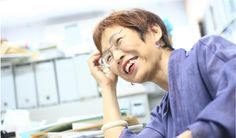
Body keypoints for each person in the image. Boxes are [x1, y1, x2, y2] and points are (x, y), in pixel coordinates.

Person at [87, 8, 236, 138]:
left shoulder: (207, 51)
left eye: (118, 41)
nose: (117, 57)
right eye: (108, 57)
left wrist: (195, 134)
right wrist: (107, 86)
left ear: (154, 32)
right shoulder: (164, 113)